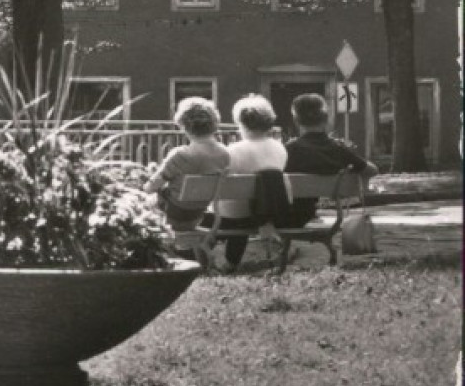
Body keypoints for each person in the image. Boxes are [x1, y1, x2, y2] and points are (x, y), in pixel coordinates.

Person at [212, 94, 290, 272]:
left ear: (241, 122)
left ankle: (211, 261)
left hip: (235, 217)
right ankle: (231, 263)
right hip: (265, 213)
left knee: (223, 214)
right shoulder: (279, 148)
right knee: (241, 213)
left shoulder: (233, 150)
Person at [281, 93, 378, 229]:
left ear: (296, 120)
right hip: (307, 213)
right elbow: (372, 170)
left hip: (286, 213)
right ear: (326, 119)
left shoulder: (288, 150)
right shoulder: (337, 149)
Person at [145, 97, 230, 233]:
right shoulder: (224, 153)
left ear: (183, 125)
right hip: (199, 212)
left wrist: (148, 183)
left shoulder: (181, 154)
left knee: (145, 199)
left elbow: (151, 187)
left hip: (175, 212)